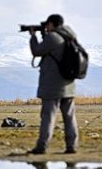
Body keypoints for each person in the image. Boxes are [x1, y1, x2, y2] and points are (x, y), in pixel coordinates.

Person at [27, 14, 79, 154]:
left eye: (47, 24)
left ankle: (42, 146)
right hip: (68, 85)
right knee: (69, 117)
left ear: (51, 24)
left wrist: (33, 36)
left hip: (53, 86)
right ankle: (71, 146)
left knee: (48, 117)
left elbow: (37, 51)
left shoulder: (53, 37)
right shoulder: (69, 36)